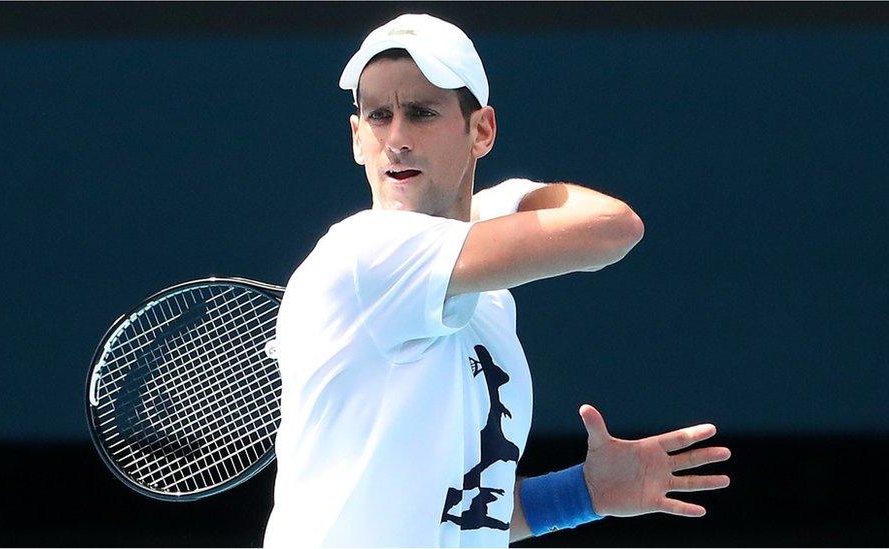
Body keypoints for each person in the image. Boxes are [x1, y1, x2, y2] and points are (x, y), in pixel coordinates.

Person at [263, 13, 730, 548]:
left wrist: (585, 494)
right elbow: (613, 228)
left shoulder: (490, 304)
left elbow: (464, 514)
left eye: (420, 113)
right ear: (356, 137)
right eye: (378, 116)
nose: (396, 139)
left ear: (481, 130)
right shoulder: (365, 253)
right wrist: (501, 199)